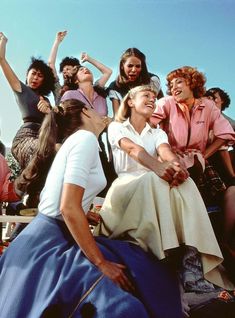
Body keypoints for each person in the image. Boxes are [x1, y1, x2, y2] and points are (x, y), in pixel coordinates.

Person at [0, 99, 182, 318]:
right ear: (86, 112)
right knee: (122, 299)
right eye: (95, 110)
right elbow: (68, 207)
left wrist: (85, 213)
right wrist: (100, 263)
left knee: (131, 260)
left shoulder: (79, 141)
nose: (101, 114)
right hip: (49, 242)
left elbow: (58, 199)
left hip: (48, 233)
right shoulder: (84, 139)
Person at [95, 85, 234, 294]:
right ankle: (168, 257)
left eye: (154, 96)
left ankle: (191, 259)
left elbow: (165, 151)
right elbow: (133, 149)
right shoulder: (117, 127)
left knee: (185, 182)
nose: (152, 99)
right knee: (155, 179)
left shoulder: (157, 132)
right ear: (131, 102)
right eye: (146, 96)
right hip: (126, 185)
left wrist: (176, 167)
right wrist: (158, 167)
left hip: (154, 180)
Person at [150, 66, 235, 282]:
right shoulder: (166, 102)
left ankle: (222, 244)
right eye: (170, 84)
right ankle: (180, 258)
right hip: (174, 161)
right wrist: (166, 151)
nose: (173, 87)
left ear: (192, 83)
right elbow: (148, 123)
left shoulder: (207, 106)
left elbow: (226, 133)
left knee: (230, 194)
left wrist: (205, 155)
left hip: (199, 163)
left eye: (179, 82)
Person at [61, 53, 116, 196]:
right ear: (75, 80)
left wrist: (89, 59)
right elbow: (64, 122)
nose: (85, 70)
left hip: (98, 142)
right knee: (82, 180)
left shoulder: (101, 96)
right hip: (77, 140)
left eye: (87, 69)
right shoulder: (70, 95)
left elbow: (108, 71)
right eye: (80, 70)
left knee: (106, 180)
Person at [0, 32, 55, 171]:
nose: (36, 77)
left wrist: (49, 112)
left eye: (40, 75)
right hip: (26, 138)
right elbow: (1, 59)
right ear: (27, 74)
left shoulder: (46, 100)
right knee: (42, 156)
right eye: (33, 73)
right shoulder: (21, 89)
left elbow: (56, 122)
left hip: (44, 137)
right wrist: (4, 42)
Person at [108, 47, 164, 116]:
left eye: (138, 66)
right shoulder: (114, 87)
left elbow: (161, 105)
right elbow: (117, 115)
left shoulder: (152, 80)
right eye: (130, 66)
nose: (134, 70)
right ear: (122, 66)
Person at [205, 88, 235, 184]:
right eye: (209, 97)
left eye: (215, 97)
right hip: (205, 155)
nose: (212, 99)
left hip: (222, 156)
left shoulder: (231, 123)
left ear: (222, 100)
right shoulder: (202, 116)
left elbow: (224, 147)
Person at [48, 30, 81, 104]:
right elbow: (51, 64)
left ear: (76, 69)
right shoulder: (59, 90)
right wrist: (57, 41)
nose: (65, 72)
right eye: (63, 71)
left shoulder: (85, 88)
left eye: (68, 69)